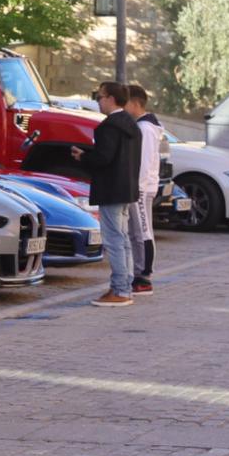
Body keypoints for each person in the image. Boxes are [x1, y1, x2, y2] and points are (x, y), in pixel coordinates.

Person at [71, 81, 142, 307]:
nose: (98, 101)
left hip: (110, 190)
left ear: (111, 98)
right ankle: (124, 285)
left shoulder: (109, 127)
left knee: (114, 241)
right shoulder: (132, 124)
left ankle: (120, 290)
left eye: (99, 97)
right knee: (123, 241)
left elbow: (104, 158)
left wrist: (83, 157)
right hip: (126, 189)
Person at [126, 84, 159, 295]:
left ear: (136, 103)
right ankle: (140, 272)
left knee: (142, 232)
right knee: (138, 232)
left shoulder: (145, 129)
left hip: (141, 188)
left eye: (125, 102)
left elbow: (144, 162)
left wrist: (135, 188)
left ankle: (143, 276)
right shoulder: (145, 127)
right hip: (142, 187)